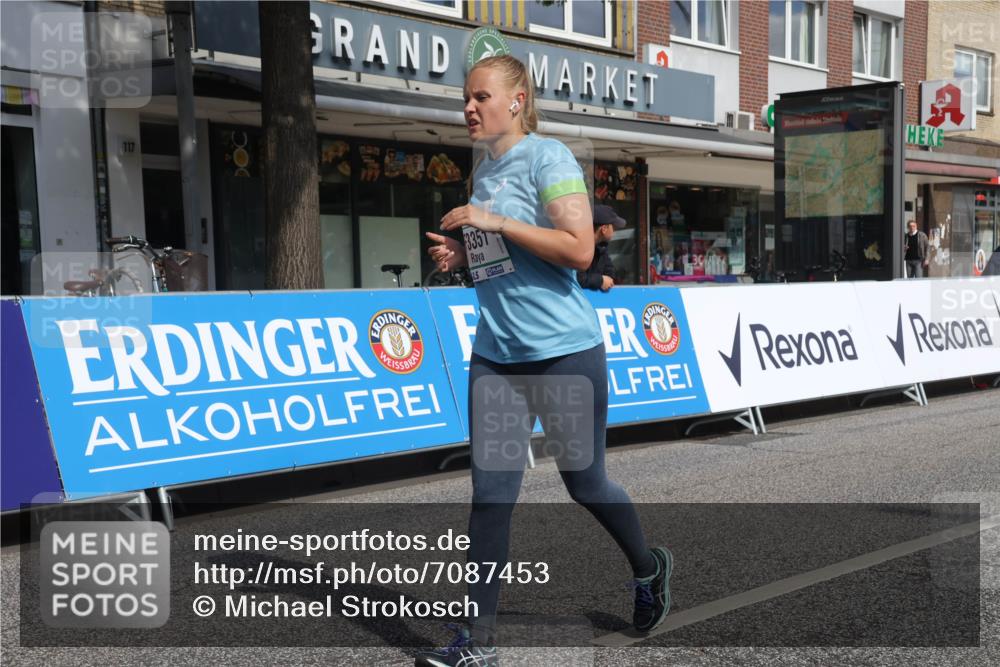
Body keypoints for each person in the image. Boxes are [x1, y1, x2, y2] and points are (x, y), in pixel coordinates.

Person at [421, 55, 671, 667]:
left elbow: (579, 248)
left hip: (563, 355)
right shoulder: (484, 172)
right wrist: (465, 253)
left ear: (517, 100)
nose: (469, 108)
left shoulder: (548, 159)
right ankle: (477, 644)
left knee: (585, 484)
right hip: (497, 360)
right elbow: (504, 257)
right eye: (465, 98)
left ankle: (648, 568)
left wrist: (493, 221)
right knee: (490, 496)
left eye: (481, 96)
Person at [577, 204, 625, 291]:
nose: (615, 230)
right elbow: (578, 279)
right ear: (604, 229)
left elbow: (610, 271)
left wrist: (604, 280)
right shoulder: (578, 247)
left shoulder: (601, 247)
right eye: (613, 227)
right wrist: (601, 280)